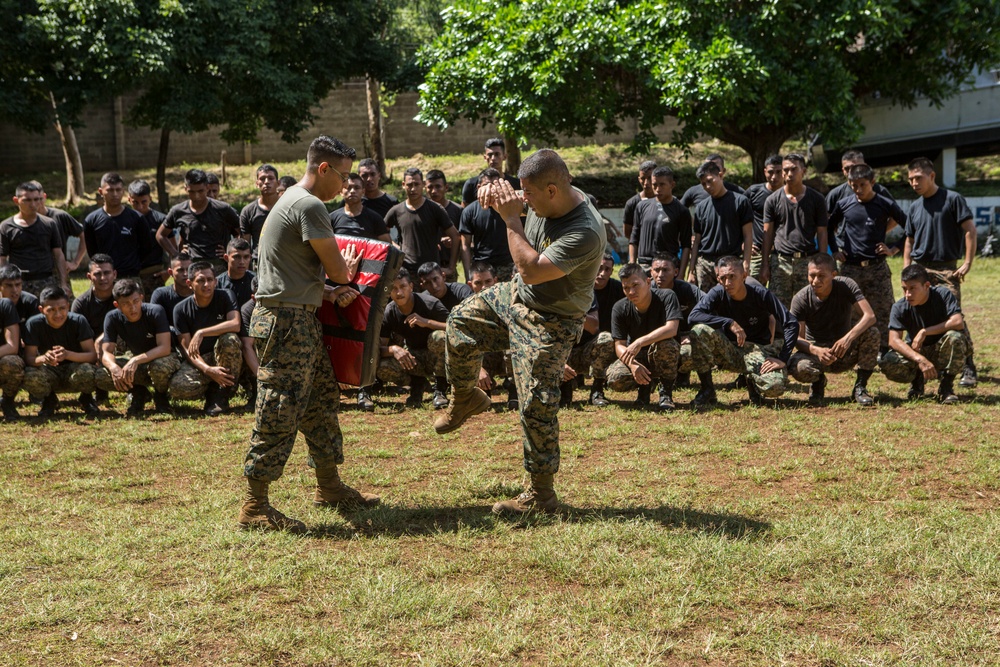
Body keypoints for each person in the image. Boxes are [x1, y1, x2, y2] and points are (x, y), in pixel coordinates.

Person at [436, 148, 606, 515]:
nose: (522, 198)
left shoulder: (586, 230)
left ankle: (541, 497)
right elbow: (515, 203)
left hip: (552, 320)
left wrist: (510, 218)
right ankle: (465, 396)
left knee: (535, 403)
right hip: (517, 296)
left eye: (527, 193)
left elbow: (531, 269)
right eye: (520, 191)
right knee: (460, 323)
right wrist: (499, 192)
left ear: (551, 190)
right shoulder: (546, 198)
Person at [240, 134, 377, 534]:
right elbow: (338, 270)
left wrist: (329, 289)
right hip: (287, 322)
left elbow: (295, 271)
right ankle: (255, 505)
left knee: (319, 400)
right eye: (345, 176)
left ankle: (329, 487)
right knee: (280, 407)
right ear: (323, 169)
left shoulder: (288, 200)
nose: (351, 185)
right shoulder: (311, 205)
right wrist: (345, 270)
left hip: (295, 317)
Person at [903, 156, 978, 388]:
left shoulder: (952, 199)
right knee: (917, 313)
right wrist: (907, 265)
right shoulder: (915, 206)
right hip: (920, 269)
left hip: (947, 269)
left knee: (955, 318)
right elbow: (909, 240)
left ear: (931, 176)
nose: (914, 183)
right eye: (910, 179)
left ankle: (968, 365)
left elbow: (970, 231)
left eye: (918, 178)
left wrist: (967, 262)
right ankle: (919, 362)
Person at [688, 256, 798, 406]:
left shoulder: (761, 294)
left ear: (744, 276)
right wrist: (728, 322)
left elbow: (791, 322)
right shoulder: (717, 293)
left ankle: (752, 383)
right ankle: (707, 389)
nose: (728, 283)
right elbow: (693, 316)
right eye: (723, 278)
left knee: (775, 387)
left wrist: (783, 358)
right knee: (699, 330)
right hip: (730, 350)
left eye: (732, 277)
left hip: (757, 350)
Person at [828, 163, 906, 353]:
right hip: (851, 268)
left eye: (863, 184)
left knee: (884, 308)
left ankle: (885, 350)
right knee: (850, 310)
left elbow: (910, 226)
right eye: (854, 185)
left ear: (872, 182)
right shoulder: (844, 204)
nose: (858, 189)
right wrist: (835, 250)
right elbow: (828, 227)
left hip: (877, 266)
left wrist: (894, 249)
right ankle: (852, 347)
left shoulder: (884, 204)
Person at [787, 254, 879, 404]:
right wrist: (816, 350)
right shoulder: (801, 299)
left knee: (872, 333)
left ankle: (860, 387)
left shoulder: (846, 285)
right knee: (799, 367)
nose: (815, 281)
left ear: (833, 275)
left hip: (843, 351)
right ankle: (817, 383)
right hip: (818, 355)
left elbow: (870, 316)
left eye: (821, 276)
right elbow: (797, 339)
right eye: (812, 275)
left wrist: (847, 339)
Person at [880, 264, 967, 404]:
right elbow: (893, 340)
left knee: (955, 338)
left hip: (941, 351)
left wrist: (925, 331)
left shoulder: (942, 295)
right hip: (917, 352)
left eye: (912, 288)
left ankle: (946, 387)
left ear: (926, 285)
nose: (907, 294)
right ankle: (917, 382)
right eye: (904, 289)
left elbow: (958, 322)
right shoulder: (900, 307)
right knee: (887, 360)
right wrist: (920, 359)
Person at [96, 279, 179, 416]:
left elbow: (164, 347)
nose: (133, 308)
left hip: (162, 359)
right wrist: (114, 367)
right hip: (137, 362)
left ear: (142, 298)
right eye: (126, 304)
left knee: (159, 367)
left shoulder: (155, 311)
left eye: (135, 301)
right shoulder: (112, 317)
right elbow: (106, 351)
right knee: (101, 375)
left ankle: (161, 396)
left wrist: (136, 360)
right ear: (117, 305)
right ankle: (138, 393)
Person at [169, 260, 242, 415]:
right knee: (178, 388)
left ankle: (222, 394)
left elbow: (235, 324)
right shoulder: (180, 309)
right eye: (200, 280)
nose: (206, 284)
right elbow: (188, 350)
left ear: (216, 281)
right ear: (190, 283)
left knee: (229, 339)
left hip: (223, 355)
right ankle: (210, 389)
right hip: (201, 360)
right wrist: (208, 370)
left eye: (210, 280)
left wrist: (201, 332)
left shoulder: (225, 296)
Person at [606, 262, 682, 410]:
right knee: (614, 378)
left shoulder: (667, 296)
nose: (631, 291)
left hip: (662, 353)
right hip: (638, 356)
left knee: (666, 345)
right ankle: (644, 389)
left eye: (635, 285)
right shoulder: (620, 307)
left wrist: (640, 341)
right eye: (626, 288)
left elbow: (672, 329)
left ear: (648, 282)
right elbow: (619, 345)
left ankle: (666, 392)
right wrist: (632, 365)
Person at [759, 153, 829, 307]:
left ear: (803, 171)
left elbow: (822, 232)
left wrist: (823, 262)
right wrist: (765, 264)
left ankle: (802, 333)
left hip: (807, 261)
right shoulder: (772, 200)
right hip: (780, 261)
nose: (789, 174)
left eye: (794, 169)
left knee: (807, 305)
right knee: (778, 308)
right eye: (785, 170)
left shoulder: (817, 199)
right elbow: (767, 233)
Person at [21, 286, 99, 418]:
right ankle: (49, 399)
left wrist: (68, 354)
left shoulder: (79, 321)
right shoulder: (33, 324)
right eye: (51, 310)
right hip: (50, 370)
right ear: (41, 310)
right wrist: (44, 358)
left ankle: (86, 397)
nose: (58, 314)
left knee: (88, 370)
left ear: (68, 306)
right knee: (29, 375)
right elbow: (29, 358)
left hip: (74, 369)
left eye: (62, 308)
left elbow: (92, 356)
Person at [377, 269, 450, 408]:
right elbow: (378, 348)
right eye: (394, 288)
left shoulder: (430, 303)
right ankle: (417, 386)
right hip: (414, 358)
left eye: (403, 287)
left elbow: (456, 327)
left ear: (411, 286)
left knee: (439, 337)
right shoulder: (389, 311)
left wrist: (427, 322)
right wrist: (393, 349)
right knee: (383, 367)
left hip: (439, 358)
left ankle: (440, 388)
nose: (399, 293)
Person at [687, 161, 754, 293]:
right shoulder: (701, 207)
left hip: (731, 263)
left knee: (732, 301)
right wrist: (691, 270)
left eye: (710, 181)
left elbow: (748, 235)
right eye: (703, 184)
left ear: (720, 175)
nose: (707, 186)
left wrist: (746, 262)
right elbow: (697, 241)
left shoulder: (740, 201)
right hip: (705, 263)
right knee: (707, 303)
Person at [157, 168, 240, 273]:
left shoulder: (222, 209)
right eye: (192, 191)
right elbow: (160, 235)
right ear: (185, 188)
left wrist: (231, 251)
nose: (197, 196)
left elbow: (241, 232)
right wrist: (176, 254)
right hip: (192, 267)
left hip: (218, 266)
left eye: (200, 191)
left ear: (206, 187)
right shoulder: (178, 211)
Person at [566, 253, 618, 407]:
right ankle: (566, 390)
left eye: (607, 269)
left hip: (590, 348)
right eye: (599, 268)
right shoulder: (576, 288)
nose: (602, 273)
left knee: (606, 338)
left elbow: (593, 326)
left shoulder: (617, 289)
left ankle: (597, 390)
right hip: (565, 349)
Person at [385, 168, 460, 274]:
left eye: (416, 184)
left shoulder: (435, 208)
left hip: (431, 272)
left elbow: (455, 236)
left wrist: (451, 267)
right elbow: (381, 234)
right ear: (403, 185)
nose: (413, 189)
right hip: (407, 272)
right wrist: (396, 249)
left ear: (423, 184)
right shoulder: (396, 211)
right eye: (409, 185)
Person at [649, 252, 705, 391]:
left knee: (689, 353)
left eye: (665, 270)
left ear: (675, 272)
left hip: (684, 339)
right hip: (652, 340)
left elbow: (709, 308)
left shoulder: (687, 290)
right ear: (651, 271)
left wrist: (692, 335)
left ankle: (682, 374)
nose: (660, 274)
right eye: (657, 270)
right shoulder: (644, 290)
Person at [0, 181, 68, 296]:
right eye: (27, 200)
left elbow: (58, 254)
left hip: (46, 280)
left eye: (36, 199)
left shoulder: (49, 224)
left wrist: (63, 283)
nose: (33, 204)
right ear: (16, 201)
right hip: (19, 283)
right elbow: (2, 258)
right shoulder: (6, 227)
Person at [83, 172, 152, 280]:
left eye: (118, 190)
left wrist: (132, 264)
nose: (115, 194)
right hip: (104, 279)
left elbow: (146, 248)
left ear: (123, 191)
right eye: (110, 190)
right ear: (101, 192)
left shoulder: (137, 218)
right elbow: (93, 252)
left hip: (130, 277)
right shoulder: (91, 220)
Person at [629, 165, 691, 274]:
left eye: (662, 185)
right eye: (655, 185)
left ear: (672, 185)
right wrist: (633, 264)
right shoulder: (642, 206)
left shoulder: (682, 211)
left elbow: (686, 245)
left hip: (667, 267)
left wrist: (681, 274)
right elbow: (634, 237)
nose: (658, 189)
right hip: (644, 265)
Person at [458, 169, 514, 281]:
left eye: (495, 185)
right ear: (479, 188)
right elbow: (465, 246)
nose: (491, 189)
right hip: (482, 269)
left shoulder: (510, 207)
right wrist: (468, 274)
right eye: (486, 185)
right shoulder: (469, 211)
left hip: (508, 265)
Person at [31, 181, 86, 287]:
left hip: (58, 272)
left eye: (39, 199)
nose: (36, 204)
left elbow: (83, 235)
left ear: (45, 197)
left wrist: (75, 262)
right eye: (31, 200)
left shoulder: (60, 216)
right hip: (33, 274)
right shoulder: (22, 222)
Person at [127, 179, 170, 296]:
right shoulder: (123, 219)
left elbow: (173, 248)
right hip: (129, 274)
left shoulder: (161, 220)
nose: (140, 207)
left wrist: (168, 271)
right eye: (135, 202)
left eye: (144, 202)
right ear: (129, 199)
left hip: (154, 273)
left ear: (150, 199)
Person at [744, 155, 784, 280]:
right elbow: (738, 218)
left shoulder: (792, 195)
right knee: (752, 292)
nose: (774, 177)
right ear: (764, 171)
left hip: (782, 254)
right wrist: (744, 243)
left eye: (779, 172)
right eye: (771, 172)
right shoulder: (753, 192)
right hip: (757, 252)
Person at [825, 149, 893, 215]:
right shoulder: (835, 195)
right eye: (847, 168)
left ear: (865, 166)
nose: (851, 171)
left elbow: (897, 216)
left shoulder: (880, 191)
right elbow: (824, 218)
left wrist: (884, 227)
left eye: (855, 167)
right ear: (843, 171)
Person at [239, 164, 281, 268]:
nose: (266, 182)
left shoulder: (288, 208)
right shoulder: (248, 211)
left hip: (284, 260)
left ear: (278, 183)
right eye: (262, 179)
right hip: (259, 262)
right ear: (257, 184)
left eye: (271, 178)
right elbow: (245, 244)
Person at [330, 173, 391, 242]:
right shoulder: (332, 219)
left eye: (357, 188)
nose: (352, 191)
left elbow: (387, 247)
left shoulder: (375, 219)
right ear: (341, 191)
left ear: (363, 192)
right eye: (348, 188)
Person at [460, 138, 521, 206]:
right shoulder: (471, 184)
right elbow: (465, 212)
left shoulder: (516, 184)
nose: (493, 158)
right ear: (485, 157)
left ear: (504, 156)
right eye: (490, 155)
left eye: (497, 154)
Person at [679, 154, 745, 209]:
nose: (708, 186)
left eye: (714, 167)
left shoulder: (738, 193)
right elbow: (678, 211)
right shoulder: (693, 192)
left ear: (723, 172)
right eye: (706, 167)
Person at [150, 253, 193, 330]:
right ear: (170, 272)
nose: (186, 274)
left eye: (189, 270)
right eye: (180, 270)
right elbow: (154, 323)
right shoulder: (161, 295)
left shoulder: (202, 293)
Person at [621, 160, 657, 241]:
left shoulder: (666, 200)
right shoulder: (632, 203)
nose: (646, 183)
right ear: (638, 179)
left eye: (649, 178)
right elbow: (628, 233)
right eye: (643, 178)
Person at [216, 238, 255, 308]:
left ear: (250, 258)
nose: (242, 262)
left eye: (246, 257)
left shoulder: (256, 281)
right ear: (226, 258)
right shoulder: (217, 284)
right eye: (237, 257)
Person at [0, 293, 21, 421]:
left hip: (2, 359)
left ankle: (7, 401)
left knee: (12, 362)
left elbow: (12, 346)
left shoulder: (4, 305)